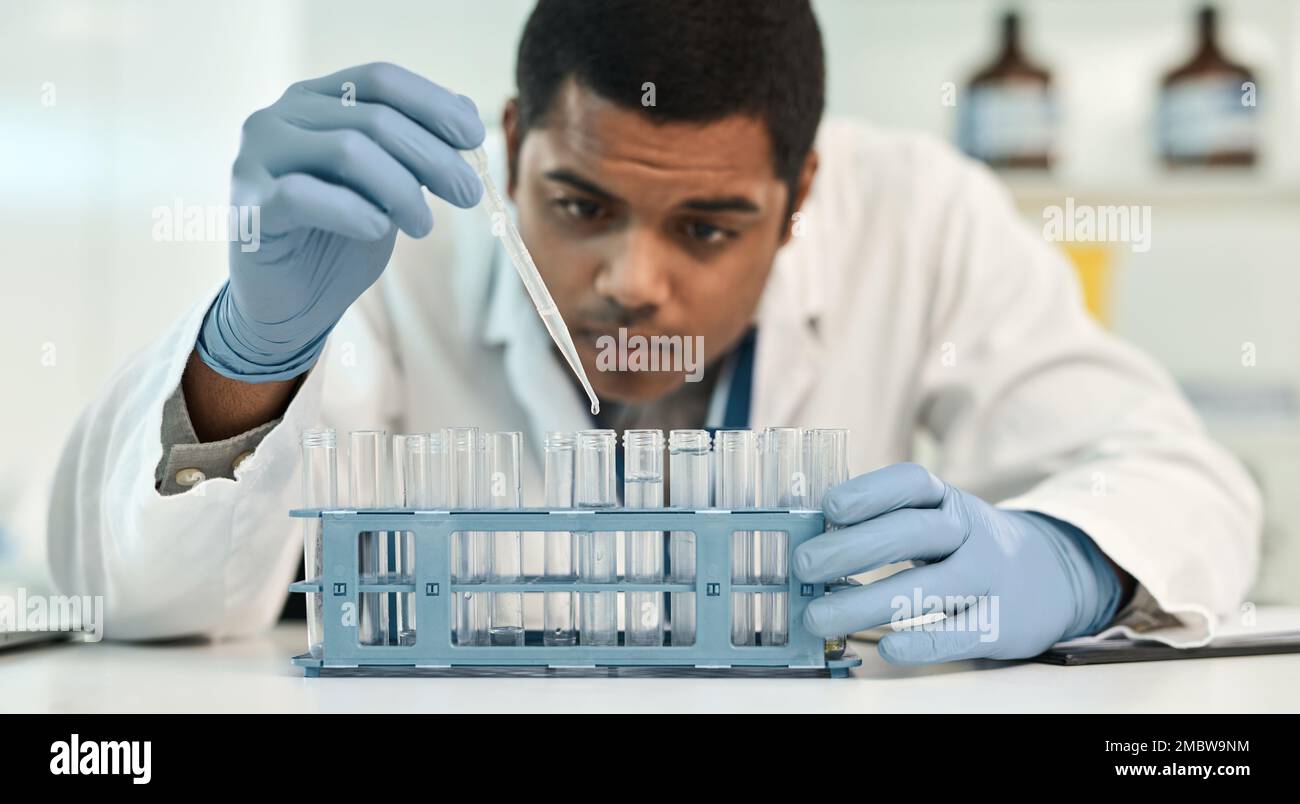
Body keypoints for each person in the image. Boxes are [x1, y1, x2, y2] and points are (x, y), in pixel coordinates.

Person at [44, 0, 1259, 663]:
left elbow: (1179, 478)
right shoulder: (391, 224)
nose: (633, 283)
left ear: (805, 193)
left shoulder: (924, 214)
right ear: (513, 143)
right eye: (580, 204)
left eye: (711, 227)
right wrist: (251, 357)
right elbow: (142, 601)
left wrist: (1065, 558)